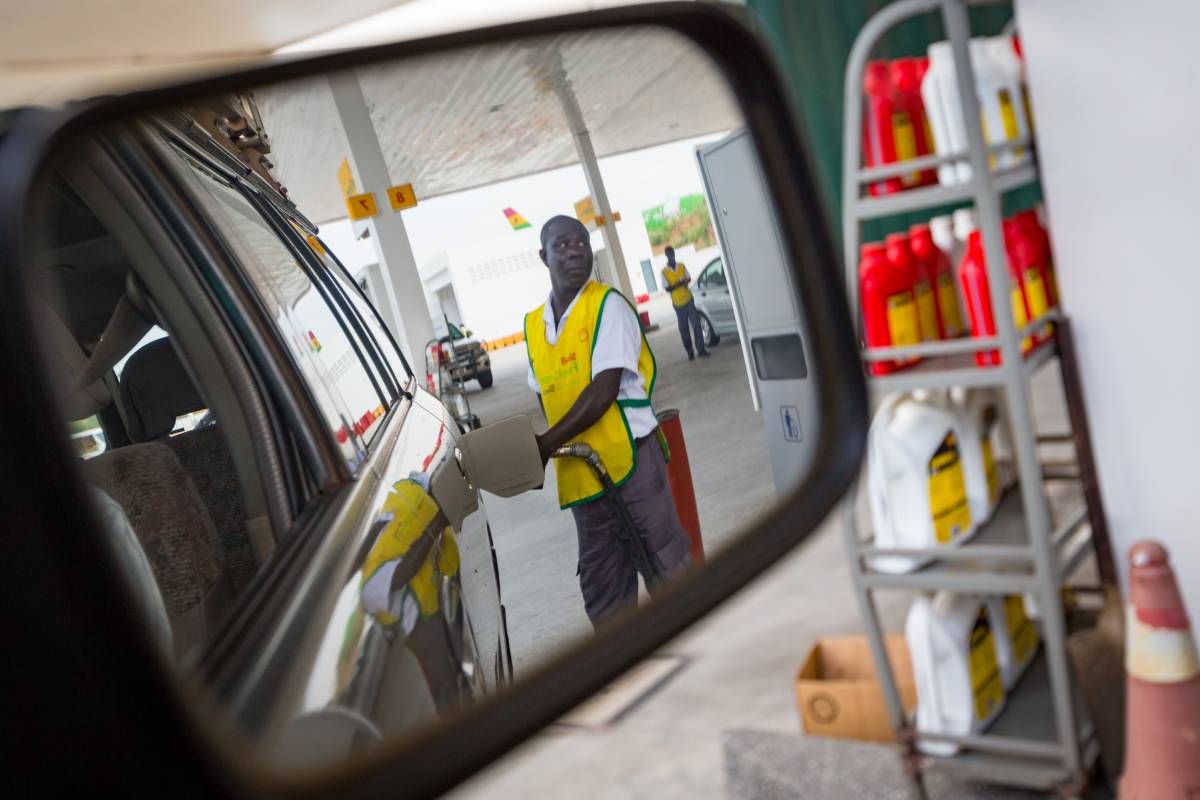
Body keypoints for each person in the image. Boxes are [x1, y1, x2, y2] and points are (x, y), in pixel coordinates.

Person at [525, 216, 692, 627]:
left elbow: (603, 391)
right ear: (543, 257)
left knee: (668, 570)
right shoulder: (534, 326)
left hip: (633, 463)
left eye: (581, 242)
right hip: (583, 478)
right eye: (562, 245)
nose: (575, 251)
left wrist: (546, 445)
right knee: (604, 593)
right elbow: (544, 392)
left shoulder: (607, 305)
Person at [660, 245, 709, 360]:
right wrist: (677, 285)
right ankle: (690, 352)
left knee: (696, 324)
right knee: (684, 329)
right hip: (678, 304)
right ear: (666, 256)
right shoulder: (664, 272)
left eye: (672, 254)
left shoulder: (681, 265)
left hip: (689, 299)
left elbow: (688, 278)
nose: (671, 256)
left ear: (674, 253)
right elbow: (667, 288)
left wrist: (684, 282)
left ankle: (701, 349)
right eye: (669, 254)